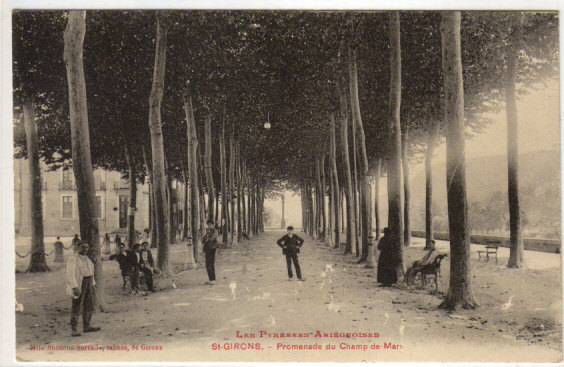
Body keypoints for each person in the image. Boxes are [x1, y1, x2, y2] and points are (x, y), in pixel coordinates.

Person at [65, 241, 100, 337]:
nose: (85, 249)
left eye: (87, 247)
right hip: (80, 283)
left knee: (89, 304)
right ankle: (74, 329)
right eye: (83, 247)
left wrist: (92, 284)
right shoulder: (73, 259)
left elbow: (90, 272)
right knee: (76, 306)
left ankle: (87, 326)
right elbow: (70, 274)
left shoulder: (87, 259)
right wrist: (74, 286)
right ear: (78, 247)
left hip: (89, 282)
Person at [202, 220, 219, 285]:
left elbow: (211, 238)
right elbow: (203, 239)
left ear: (213, 224)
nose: (209, 226)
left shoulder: (214, 231)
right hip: (207, 248)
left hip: (212, 248)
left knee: (211, 263)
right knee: (207, 264)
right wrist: (205, 238)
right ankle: (210, 279)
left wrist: (206, 238)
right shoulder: (208, 231)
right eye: (208, 225)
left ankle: (213, 279)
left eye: (210, 224)